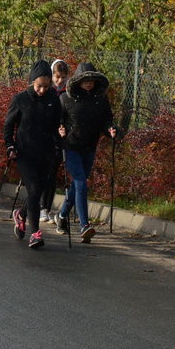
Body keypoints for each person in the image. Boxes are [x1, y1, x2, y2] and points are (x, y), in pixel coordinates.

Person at [55, 62, 116, 242]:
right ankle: (84, 225)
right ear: (78, 81)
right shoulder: (66, 99)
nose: (89, 83)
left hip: (90, 146)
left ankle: (62, 215)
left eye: (92, 80)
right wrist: (60, 129)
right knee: (81, 182)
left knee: (77, 186)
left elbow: (107, 121)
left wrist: (112, 129)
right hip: (71, 146)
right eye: (85, 80)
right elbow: (58, 120)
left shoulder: (101, 100)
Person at [4, 60, 62, 249]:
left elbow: (56, 126)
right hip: (24, 153)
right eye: (39, 86)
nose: (42, 90)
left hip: (46, 154)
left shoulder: (54, 99)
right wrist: (10, 146)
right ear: (31, 82)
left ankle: (21, 214)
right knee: (35, 190)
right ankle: (35, 233)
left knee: (36, 192)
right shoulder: (20, 99)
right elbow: (8, 125)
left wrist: (60, 140)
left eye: (46, 86)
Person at [39, 59, 69, 222]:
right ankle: (36, 205)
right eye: (57, 77)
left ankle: (46, 208)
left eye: (63, 78)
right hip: (43, 137)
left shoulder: (67, 93)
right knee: (41, 173)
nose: (59, 81)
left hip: (58, 139)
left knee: (52, 173)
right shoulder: (45, 90)